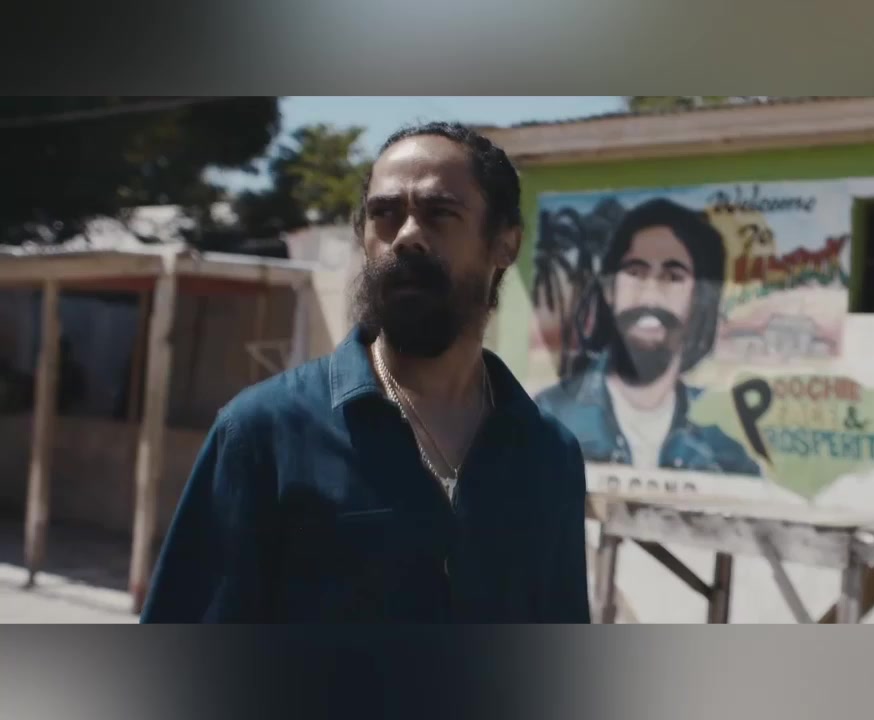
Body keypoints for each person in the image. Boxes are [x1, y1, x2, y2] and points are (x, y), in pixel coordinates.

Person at [141, 123, 590, 623]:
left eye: (440, 213)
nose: (408, 236)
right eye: (385, 214)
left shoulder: (550, 456)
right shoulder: (263, 432)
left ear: (505, 244)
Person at [536, 198, 761, 477]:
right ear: (609, 289)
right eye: (635, 272)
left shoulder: (725, 456)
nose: (650, 294)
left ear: (699, 300)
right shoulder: (546, 422)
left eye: (673, 276)